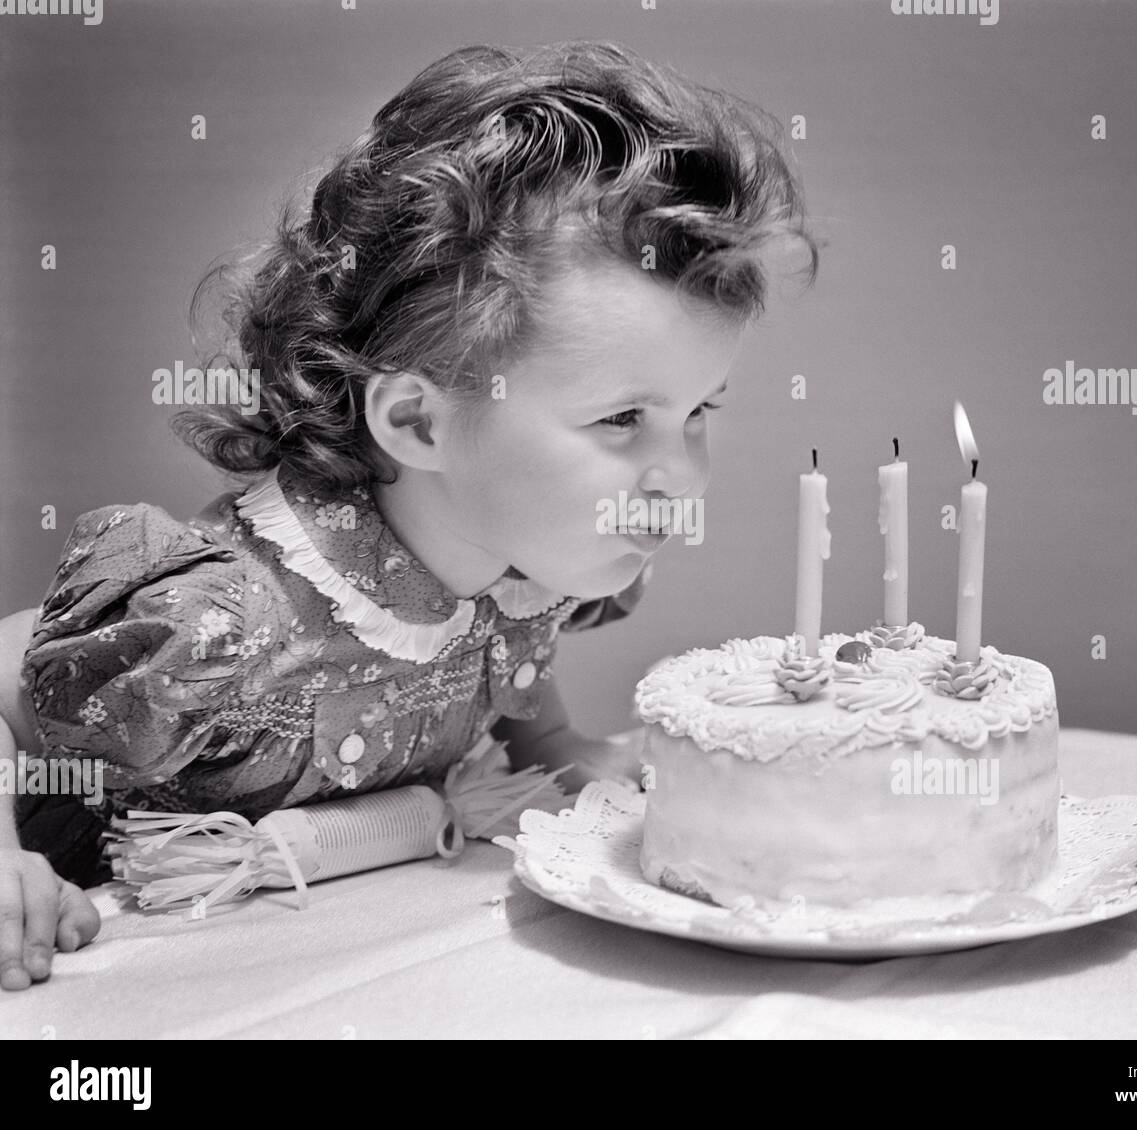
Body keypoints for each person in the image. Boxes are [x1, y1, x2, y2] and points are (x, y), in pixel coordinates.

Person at [0, 40, 819, 990]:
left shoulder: (527, 570)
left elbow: (513, 695)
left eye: (698, 412)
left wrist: (564, 756)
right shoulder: (231, 614)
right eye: (622, 419)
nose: (678, 475)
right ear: (417, 418)